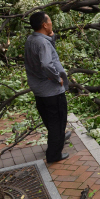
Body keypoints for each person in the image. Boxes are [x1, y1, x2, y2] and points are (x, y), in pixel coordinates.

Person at [24, 12, 70, 163]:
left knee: (51, 120)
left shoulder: (31, 39)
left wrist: (52, 37)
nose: (51, 23)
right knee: (58, 121)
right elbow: (46, 63)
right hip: (51, 90)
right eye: (49, 21)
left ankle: (58, 137)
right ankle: (54, 155)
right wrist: (57, 77)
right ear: (44, 25)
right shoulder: (42, 43)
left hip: (39, 89)